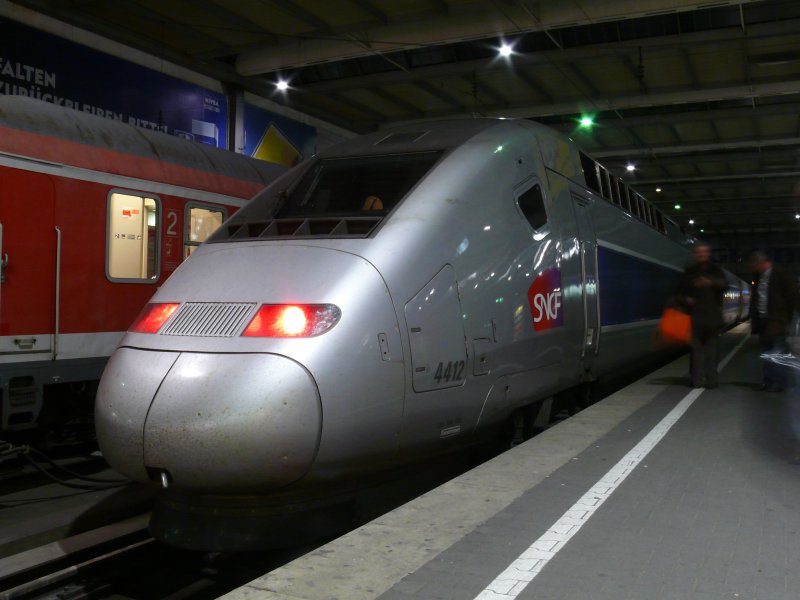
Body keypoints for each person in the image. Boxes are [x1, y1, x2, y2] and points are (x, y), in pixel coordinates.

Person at [678, 242, 727, 388]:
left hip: (712, 318)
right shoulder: (690, 272)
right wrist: (686, 299)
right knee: (695, 351)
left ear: (708, 254)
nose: (702, 254)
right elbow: (679, 291)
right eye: (699, 252)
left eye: (704, 252)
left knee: (712, 351)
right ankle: (696, 380)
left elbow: (724, 286)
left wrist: (710, 282)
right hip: (695, 318)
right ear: (695, 254)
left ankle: (712, 380)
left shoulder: (716, 270)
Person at [749, 251, 800, 392]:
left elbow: (793, 296)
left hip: (777, 321)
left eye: (755, 265)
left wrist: (787, 319)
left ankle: (779, 383)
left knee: (777, 353)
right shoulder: (758, 277)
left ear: (762, 263)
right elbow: (756, 298)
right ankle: (767, 382)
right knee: (766, 353)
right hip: (762, 321)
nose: (754, 268)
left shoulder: (780, 274)